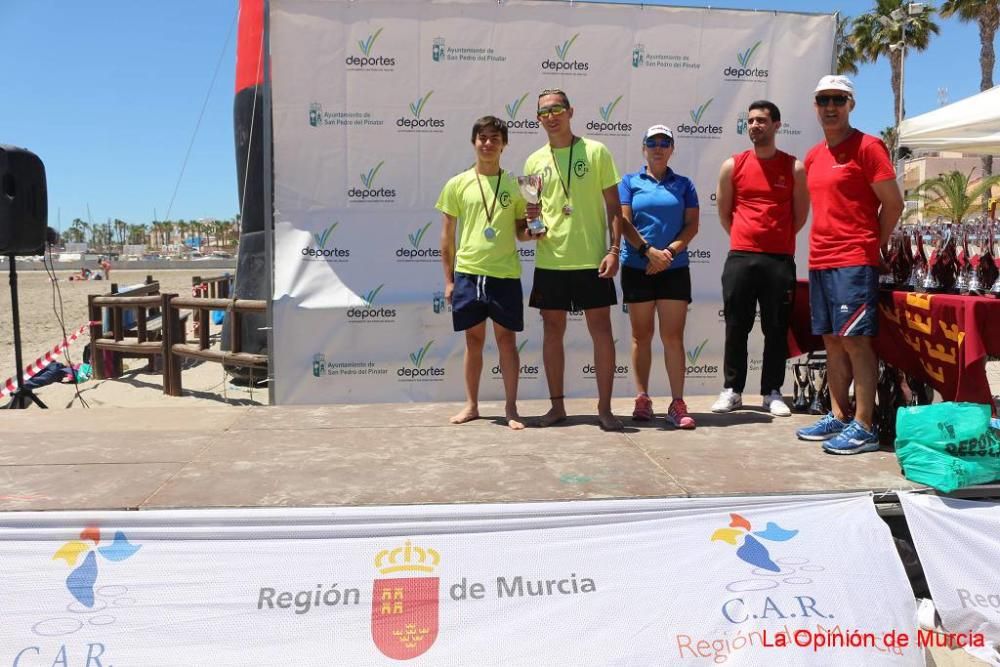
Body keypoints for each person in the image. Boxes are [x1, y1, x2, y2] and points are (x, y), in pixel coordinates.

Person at [796, 75, 903, 454]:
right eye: (823, 99)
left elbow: (893, 204)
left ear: (851, 105)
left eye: (838, 100)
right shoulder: (812, 156)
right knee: (831, 341)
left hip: (854, 260)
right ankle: (839, 416)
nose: (830, 107)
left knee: (857, 342)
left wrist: (874, 244)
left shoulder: (869, 147)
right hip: (820, 260)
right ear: (815, 106)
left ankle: (865, 425)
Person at [524, 89, 624, 431]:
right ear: (538, 118)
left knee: (601, 331)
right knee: (552, 331)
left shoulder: (596, 151)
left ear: (570, 111)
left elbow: (614, 206)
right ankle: (556, 407)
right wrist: (533, 226)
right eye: (544, 112)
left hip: (591, 259)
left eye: (557, 109)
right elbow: (531, 210)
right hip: (550, 261)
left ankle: (605, 409)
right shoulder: (533, 161)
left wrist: (614, 250)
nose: (551, 116)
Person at [712, 100, 809, 418]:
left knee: (776, 328)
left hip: (779, 260)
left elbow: (799, 216)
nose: (755, 125)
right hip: (741, 257)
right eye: (751, 121)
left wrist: (775, 240)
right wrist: (746, 238)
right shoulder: (733, 165)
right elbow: (725, 213)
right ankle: (732, 390)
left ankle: (772, 391)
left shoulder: (793, 167)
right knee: (736, 326)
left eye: (762, 121)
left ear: (777, 125)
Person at [437, 115, 532, 430]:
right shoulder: (457, 183)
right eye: (483, 138)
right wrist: (449, 280)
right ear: (474, 142)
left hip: (504, 273)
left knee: (507, 342)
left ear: (504, 144)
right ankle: (472, 405)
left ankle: (511, 408)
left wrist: (536, 228)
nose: (488, 143)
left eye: (495, 138)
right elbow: (447, 236)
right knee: (473, 341)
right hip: (469, 273)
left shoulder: (518, 185)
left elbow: (522, 232)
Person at [618, 125, 700, 429]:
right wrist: (648, 252)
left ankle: (677, 403)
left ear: (672, 149)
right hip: (637, 267)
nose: (658, 147)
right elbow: (624, 222)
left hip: (674, 269)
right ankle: (643, 398)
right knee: (641, 336)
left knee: (673, 337)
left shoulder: (684, 184)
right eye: (652, 142)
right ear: (643, 148)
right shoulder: (629, 182)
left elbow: (692, 225)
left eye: (664, 142)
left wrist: (668, 254)